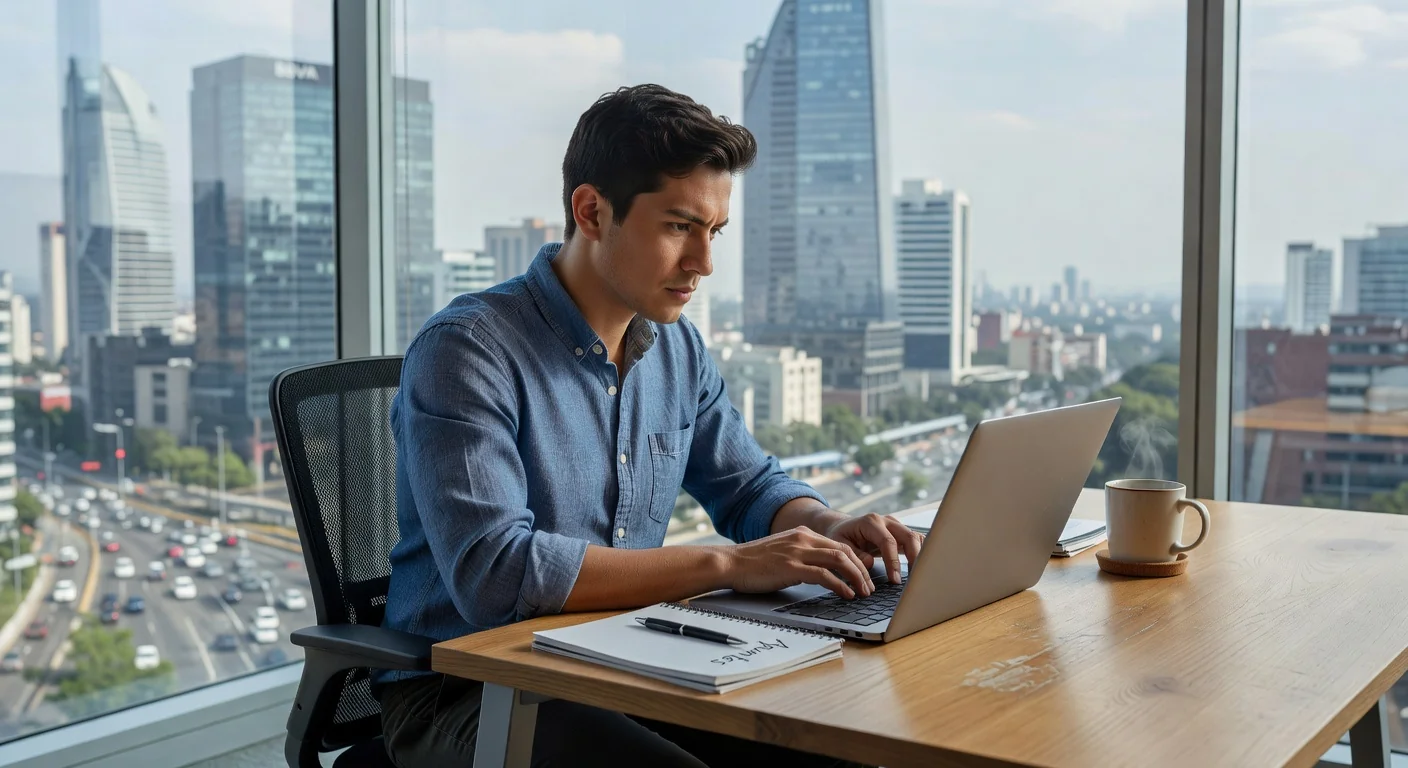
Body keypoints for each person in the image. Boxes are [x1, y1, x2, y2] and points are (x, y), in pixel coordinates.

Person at [376, 83, 923, 767]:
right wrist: (728, 564)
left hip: (624, 663)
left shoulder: (677, 348)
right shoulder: (468, 350)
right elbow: (496, 573)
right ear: (592, 211)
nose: (704, 263)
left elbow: (748, 486)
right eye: (678, 227)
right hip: (469, 693)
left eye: (713, 231)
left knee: (839, 742)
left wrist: (826, 524)